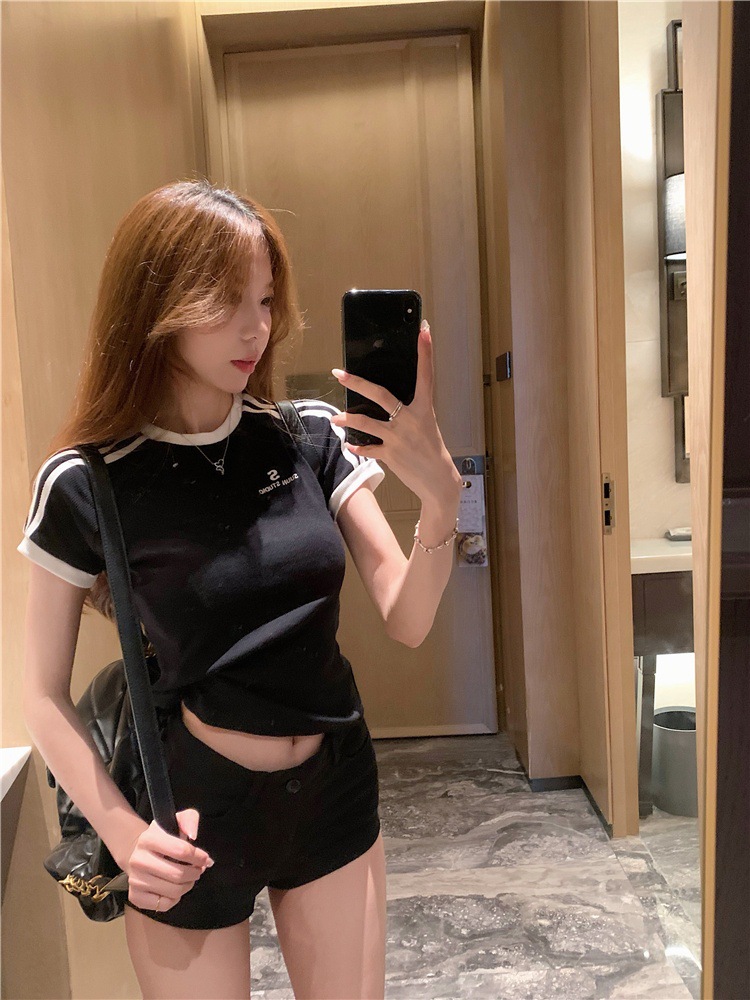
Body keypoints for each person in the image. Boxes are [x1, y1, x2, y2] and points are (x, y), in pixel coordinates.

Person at [18, 179, 463, 999]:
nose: (256, 327)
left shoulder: (307, 434)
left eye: (264, 300)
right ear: (157, 303)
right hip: (191, 811)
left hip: (331, 785)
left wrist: (441, 502)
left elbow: (406, 618)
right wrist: (123, 832)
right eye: (225, 302)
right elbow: (40, 695)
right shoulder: (87, 481)